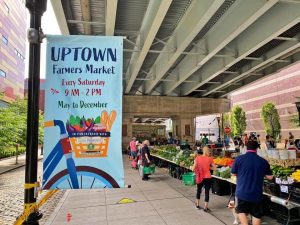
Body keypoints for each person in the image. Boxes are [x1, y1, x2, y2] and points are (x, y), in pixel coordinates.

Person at [231, 140, 273, 225]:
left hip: (242, 192)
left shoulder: (239, 159)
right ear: (257, 148)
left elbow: (233, 173)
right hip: (256, 194)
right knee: (256, 214)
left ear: (246, 147)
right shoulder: (263, 161)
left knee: (241, 210)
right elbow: (270, 177)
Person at [192, 146, 216, 212]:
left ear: (203, 151)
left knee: (198, 191)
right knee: (207, 192)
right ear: (208, 151)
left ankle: (197, 205)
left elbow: (193, 168)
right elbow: (215, 168)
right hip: (208, 177)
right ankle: (205, 207)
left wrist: (192, 166)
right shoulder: (210, 158)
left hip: (200, 177)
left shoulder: (197, 158)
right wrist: (208, 167)